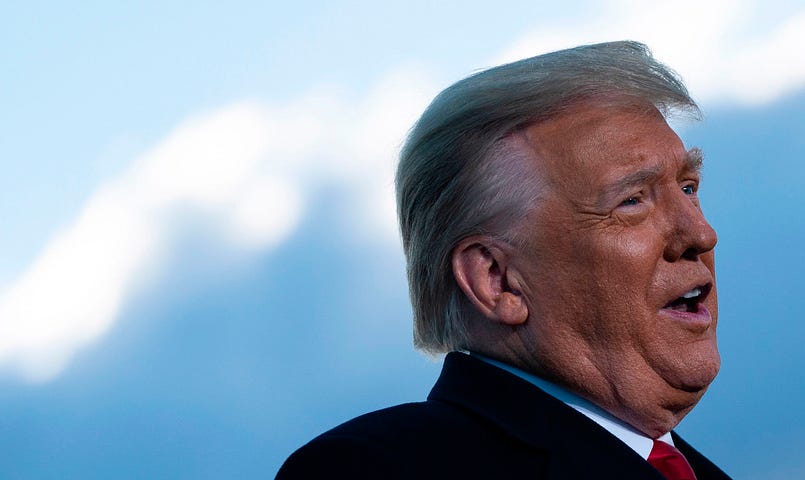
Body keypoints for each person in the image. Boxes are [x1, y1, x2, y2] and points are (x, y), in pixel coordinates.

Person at [277, 41, 729, 480]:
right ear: (497, 281)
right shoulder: (375, 469)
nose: (700, 234)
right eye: (632, 201)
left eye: (688, 188)